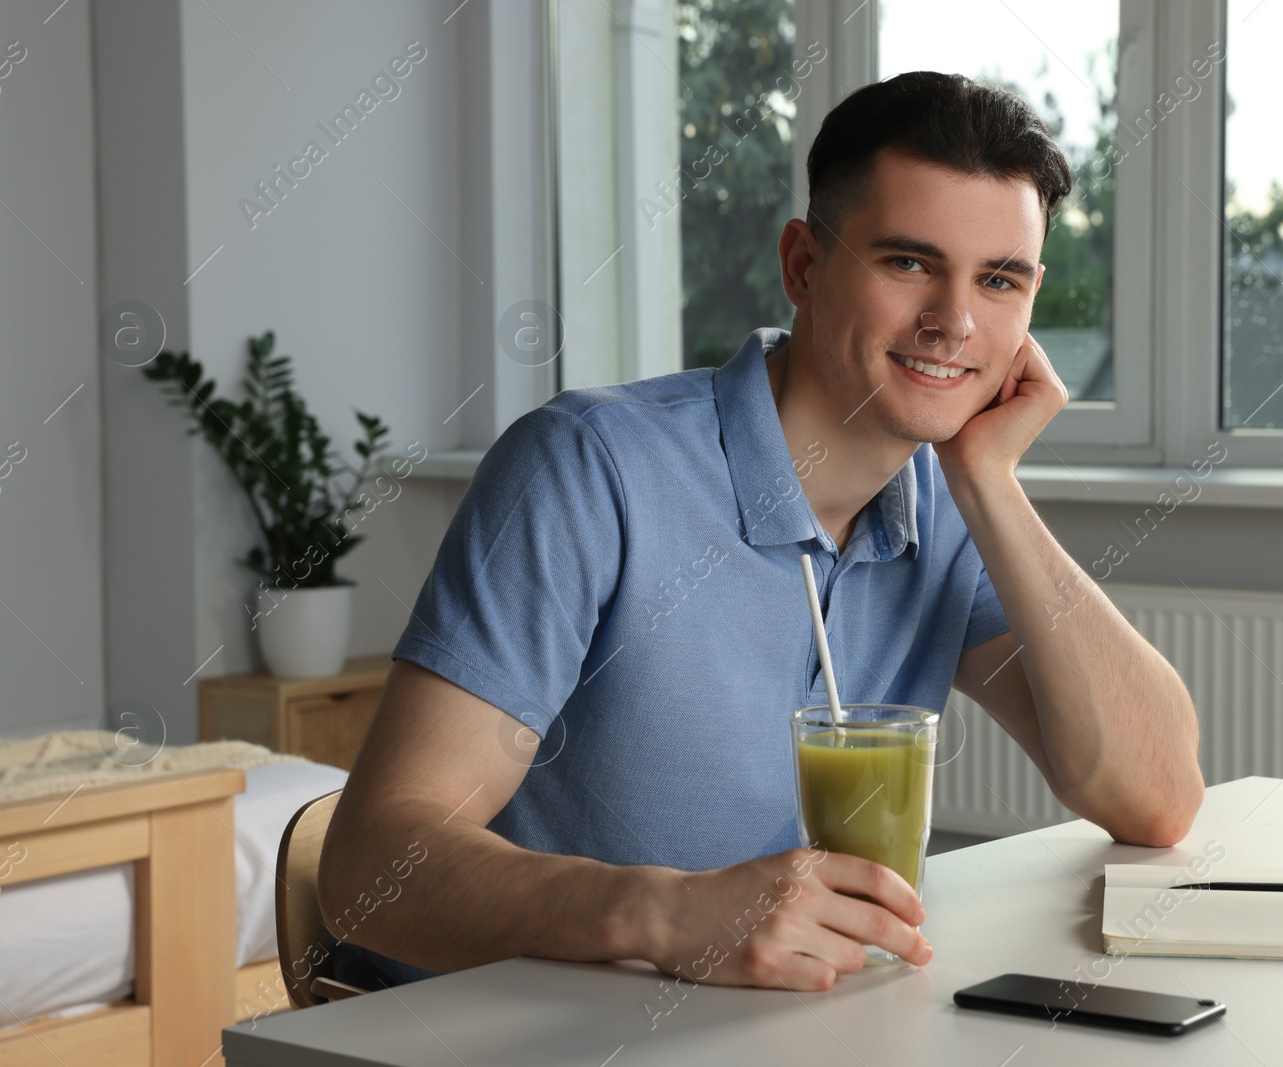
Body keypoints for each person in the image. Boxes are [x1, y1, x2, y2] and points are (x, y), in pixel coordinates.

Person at [320, 70, 1204, 995]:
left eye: (999, 280)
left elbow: (1156, 796)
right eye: (909, 263)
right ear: (802, 266)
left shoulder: (945, 498)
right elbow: (372, 871)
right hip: (465, 1034)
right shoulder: (588, 468)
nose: (954, 321)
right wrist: (670, 914)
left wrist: (990, 480)